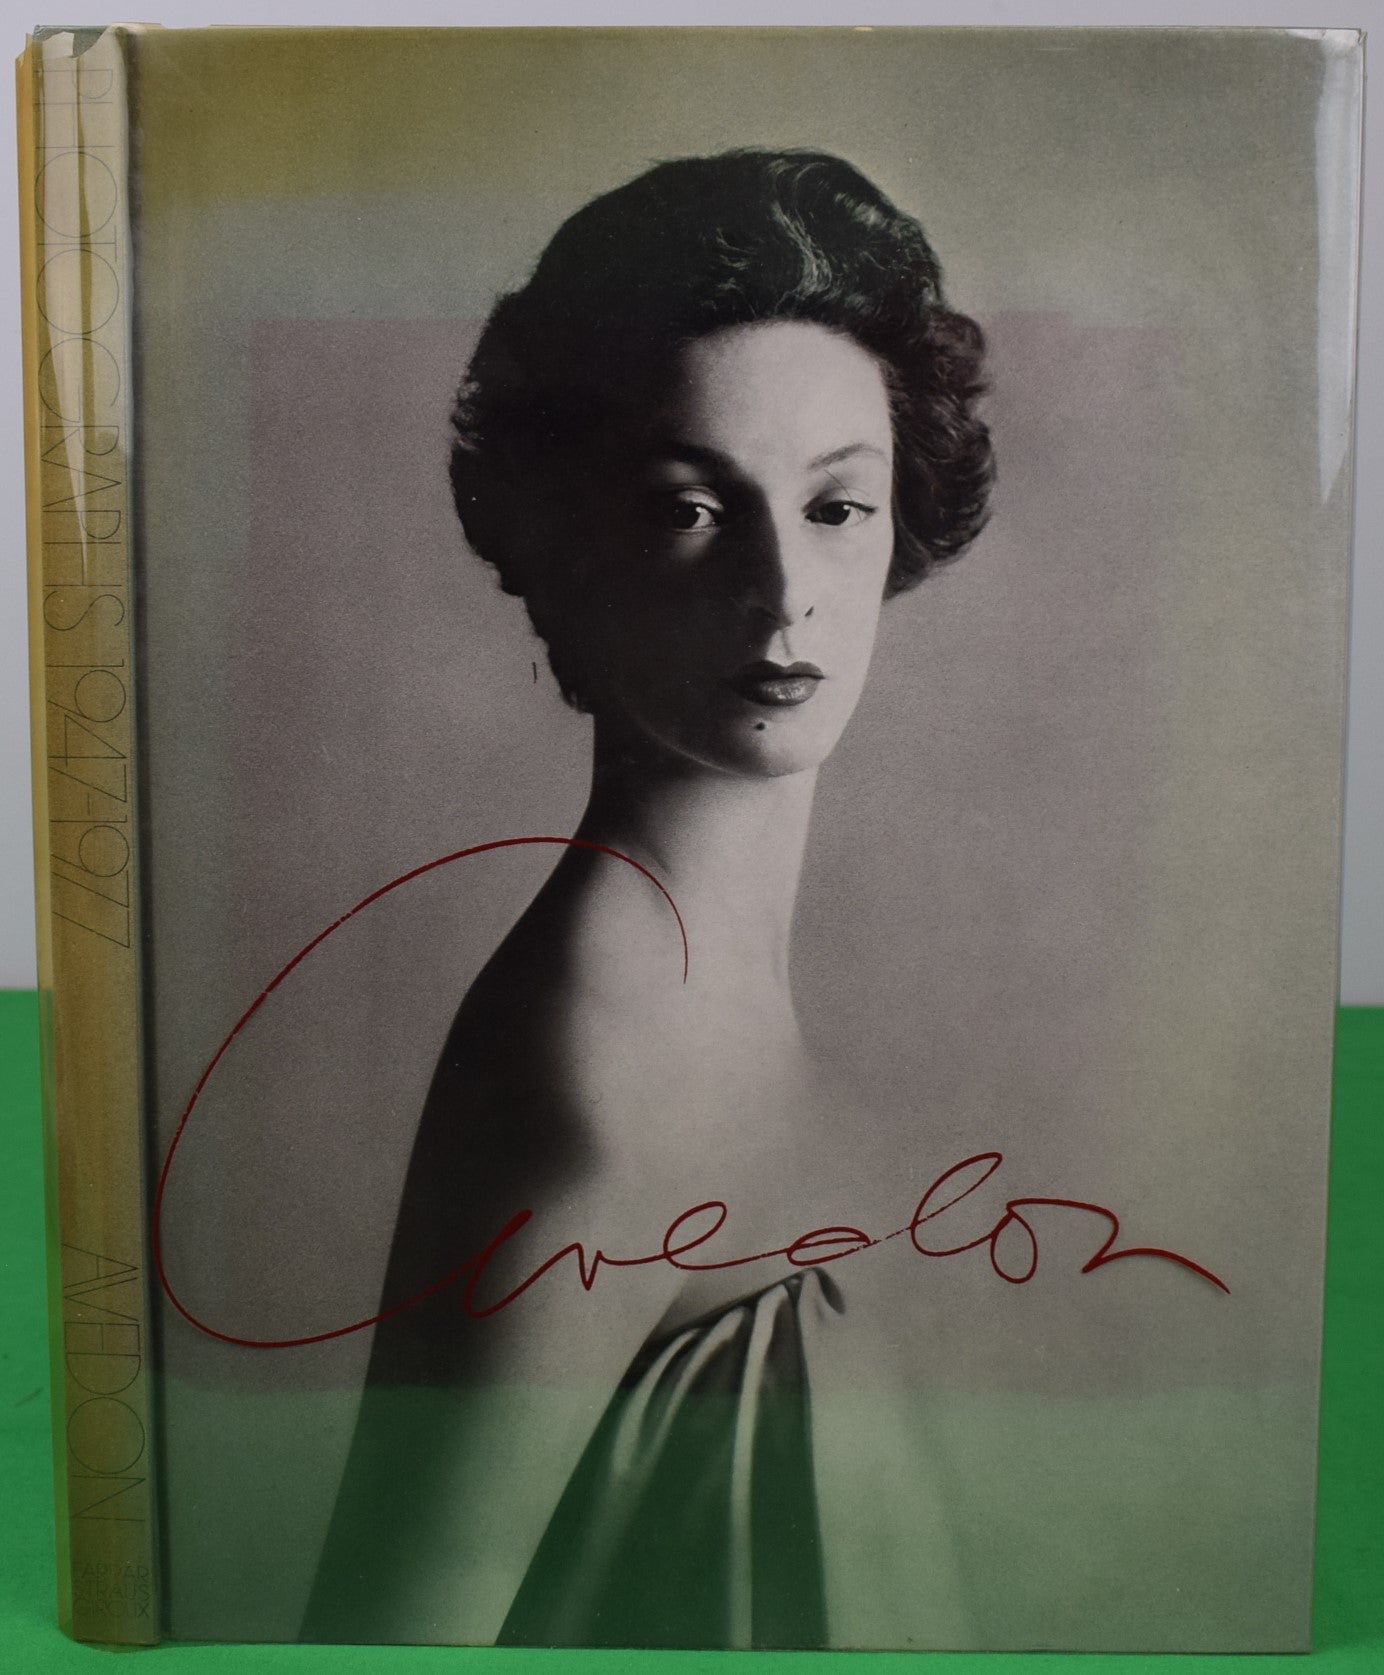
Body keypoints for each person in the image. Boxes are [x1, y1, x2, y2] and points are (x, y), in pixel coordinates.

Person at [303, 147, 992, 1650]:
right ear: (566, 546)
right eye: (693, 510)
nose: (784, 591)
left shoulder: (711, 989)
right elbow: (384, 1637)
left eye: (837, 508)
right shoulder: (607, 1060)